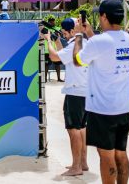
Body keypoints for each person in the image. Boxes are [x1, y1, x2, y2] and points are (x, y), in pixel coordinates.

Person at [73, 0, 129, 184]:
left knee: (106, 155)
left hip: (103, 109)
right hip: (124, 106)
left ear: (105, 16)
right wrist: (89, 33)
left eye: (100, 15)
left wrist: (78, 36)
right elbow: (104, 48)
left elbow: (78, 61)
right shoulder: (128, 38)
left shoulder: (99, 42)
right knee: (121, 153)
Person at [46, 18, 89, 176]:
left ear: (72, 31)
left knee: (73, 130)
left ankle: (76, 166)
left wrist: (48, 40)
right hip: (86, 92)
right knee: (82, 128)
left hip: (74, 92)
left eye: (65, 32)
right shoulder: (84, 43)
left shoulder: (73, 46)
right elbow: (63, 54)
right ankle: (83, 163)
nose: (64, 35)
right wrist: (58, 41)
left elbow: (54, 57)